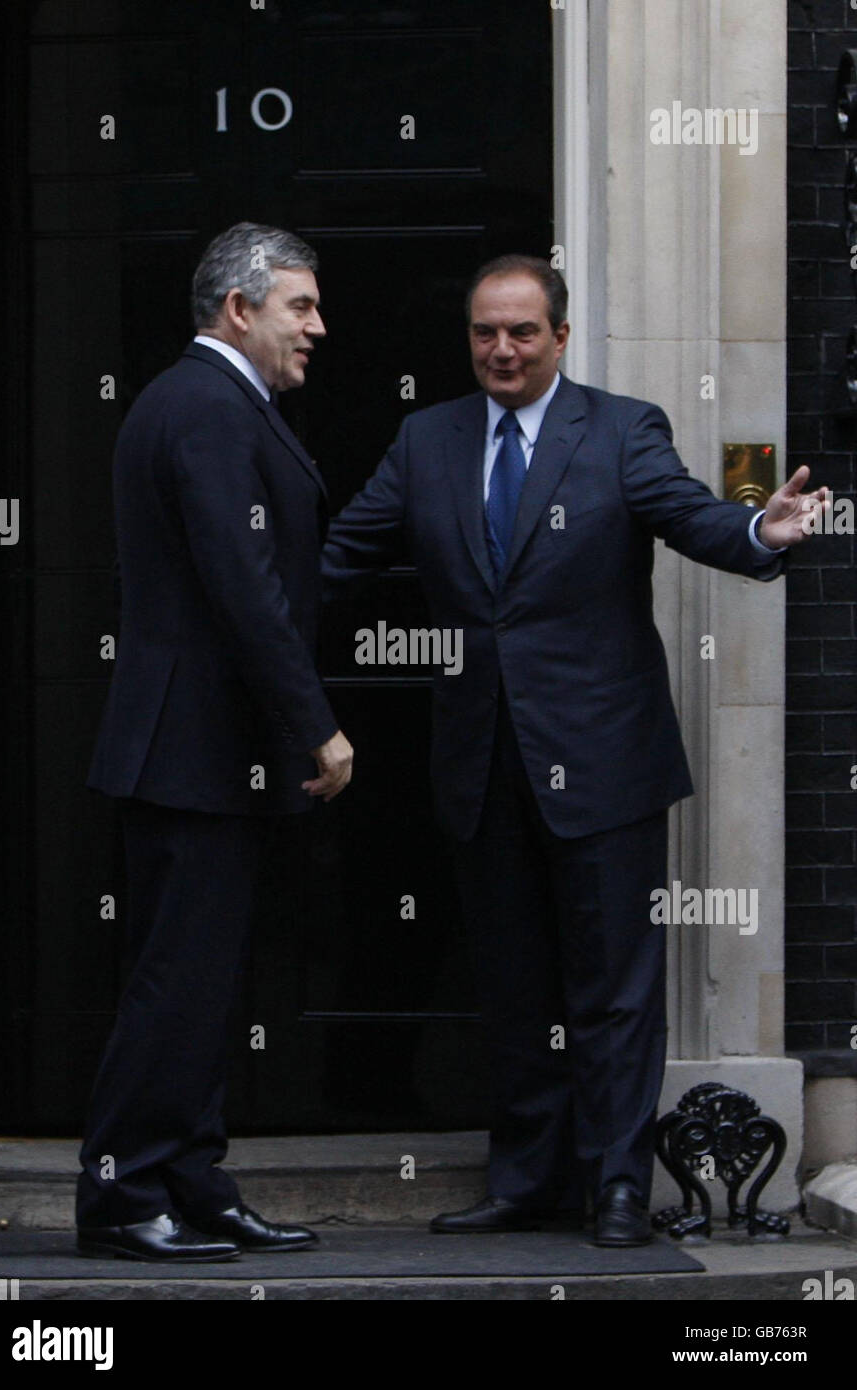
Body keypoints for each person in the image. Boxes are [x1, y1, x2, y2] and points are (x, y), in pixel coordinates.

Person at [322, 254, 826, 1247]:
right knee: (512, 986)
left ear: (559, 337)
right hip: (482, 758)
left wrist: (758, 529)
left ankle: (618, 1187)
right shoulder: (426, 439)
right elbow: (339, 555)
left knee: (612, 985)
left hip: (602, 756)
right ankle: (527, 1180)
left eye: (520, 332)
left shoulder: (622, 428)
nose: (500, 350)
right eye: (483, 332)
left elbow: (691, 515)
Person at [76, 222, 353, 1262]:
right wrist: (314, 723)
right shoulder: (201, 404)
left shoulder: (214, 403)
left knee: (201, 979)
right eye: (301, 306)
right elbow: (244, 587)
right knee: (176, 981)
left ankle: (190, 1180)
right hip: (192, 747)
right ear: (239, 309)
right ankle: (120, 1195)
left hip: (205, 750)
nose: (318, 327)